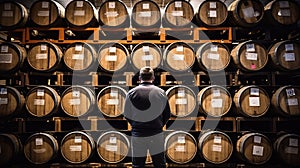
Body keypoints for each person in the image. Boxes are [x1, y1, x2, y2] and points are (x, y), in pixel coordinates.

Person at [124, 66, 171, 168]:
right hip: (156, 134)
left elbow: (126, 114)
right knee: (159, 165)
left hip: (138, 134)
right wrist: (159, 125)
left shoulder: (131, 93)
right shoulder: (160, 92)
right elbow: (167, 114)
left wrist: (136, 125)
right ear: (153, 78)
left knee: (138, 165)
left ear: (139, 78)